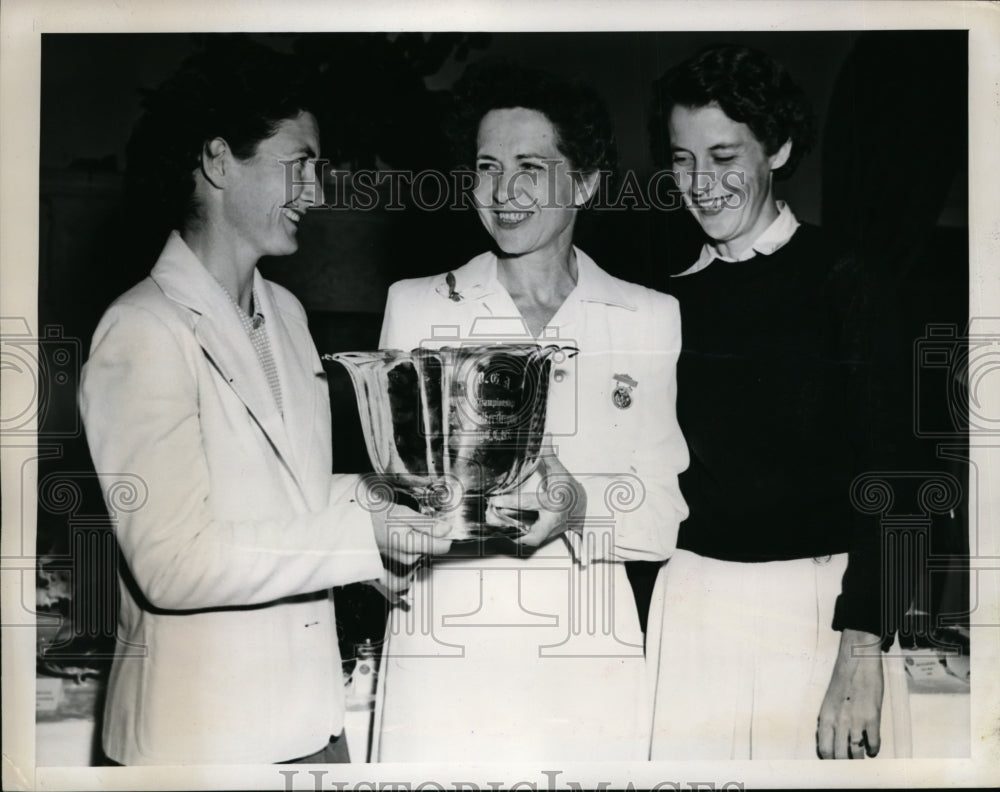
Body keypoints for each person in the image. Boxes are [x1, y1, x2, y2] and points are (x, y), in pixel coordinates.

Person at [78, 38, 450, 766]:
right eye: (299, 163)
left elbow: (288, 492)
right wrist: (361, 539)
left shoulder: (284, 313)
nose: (316, 191)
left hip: (311, 725)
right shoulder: (142, 329)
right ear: (218, 161)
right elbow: (173, 561)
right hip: (200, 744)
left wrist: (382, 502)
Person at [370, 61, 689, 762]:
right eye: (486, 167)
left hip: (587, 661)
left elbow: (663, 516)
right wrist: (381, 543)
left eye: (530, 167)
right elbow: (389, 494)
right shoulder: (417, 305)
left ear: (585, 181)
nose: (503, 192)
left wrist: (579, 509)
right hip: (445, 649)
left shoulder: (647, 317)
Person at [645, 44, 908, 760]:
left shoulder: (845, 280)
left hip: (817, 616)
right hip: (692, 605)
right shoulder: (665, 296)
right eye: (681, 158)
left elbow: (895, 476)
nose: (700, 183)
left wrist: (861, 648)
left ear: (779, 149)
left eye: (724, 156)